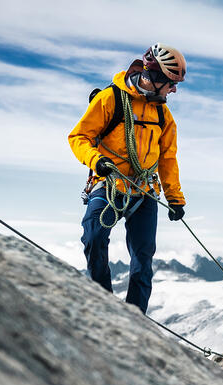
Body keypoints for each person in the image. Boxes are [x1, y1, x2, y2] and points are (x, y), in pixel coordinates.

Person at [68, 43, 188, 314]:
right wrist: (96, 160)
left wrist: (175, 198)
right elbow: (79, 137)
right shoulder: (111, 99)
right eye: (171, 82)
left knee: (143, 260)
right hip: (109, 184)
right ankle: (103, 305)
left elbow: (167, 159)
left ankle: (136, 318)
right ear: (155, 78)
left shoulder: (163, 114)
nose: (175, 89)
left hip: (143, 191)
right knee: (94, 239)